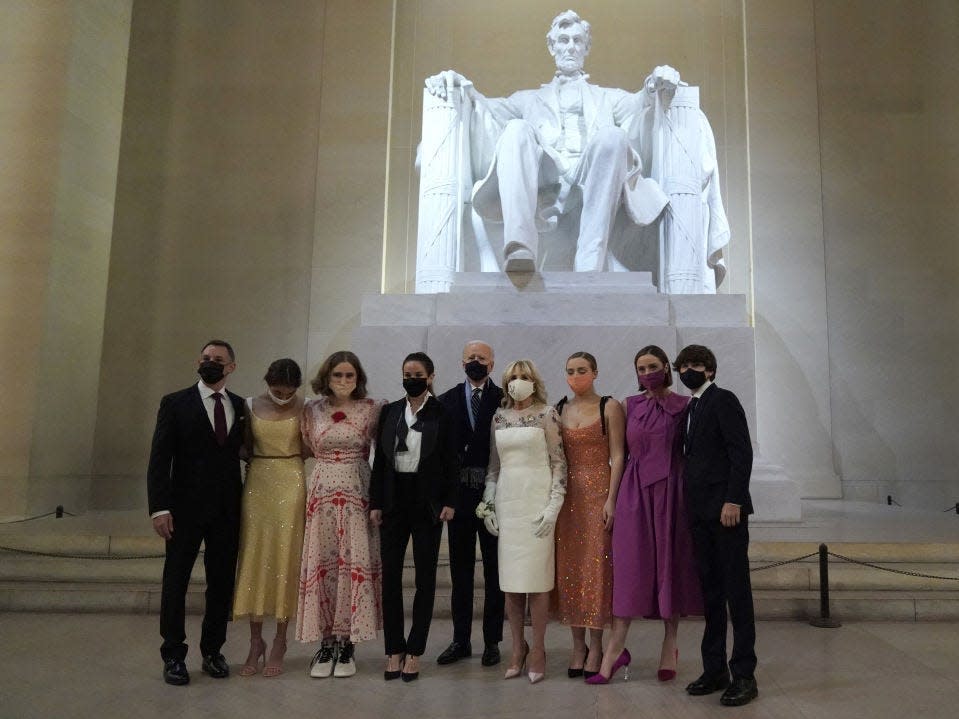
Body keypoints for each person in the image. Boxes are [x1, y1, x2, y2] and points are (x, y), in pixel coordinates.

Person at [425, 10, 680, 272]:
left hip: (591, 179)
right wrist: (460, 87)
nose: (570, 47)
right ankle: (520, 248)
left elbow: (640, 103)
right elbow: (486, 108)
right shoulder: (527, 99)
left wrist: (655, 83)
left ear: (586, 47)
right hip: (546, 179)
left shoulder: (607, 97)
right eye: (563, 40)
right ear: (552, 46)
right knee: (515, 129)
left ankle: (589, 262)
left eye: (577, 41)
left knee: (613, 136)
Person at [588, 345, 702, 685]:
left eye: (653, 366)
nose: (647, 372)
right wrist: (610, 499)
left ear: (666, 367)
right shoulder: (629, 405)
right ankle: (614, 651)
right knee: (630, 568)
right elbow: (618, 455)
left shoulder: (685, 406)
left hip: (672, 493)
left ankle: (671, 644)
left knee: (670, 567)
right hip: (634, 493)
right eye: (641, 367)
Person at [147, 339, 247, 686]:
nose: (211, 362)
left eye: (218, 359)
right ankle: (174, 654)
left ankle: (213, 650)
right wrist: (159, 508)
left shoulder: (239, 406)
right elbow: (160, 459)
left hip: (226, 512)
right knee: (176, 581)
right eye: (206, 357)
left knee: (221, 584)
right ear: (197, 362)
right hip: (183, 510)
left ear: (231, 367)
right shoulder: (175, 403)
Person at [675, 344, 757, 707]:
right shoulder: (692, 406)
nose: (688, 370)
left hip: (726, 512)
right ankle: (715, 669)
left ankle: (744, 674)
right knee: (710, 594)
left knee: (736, 594)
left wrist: (733, 499)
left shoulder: (723, 399)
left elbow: (742, 452)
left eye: (695, 365)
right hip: (700, 513)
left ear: (710, 370)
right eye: (684, 366)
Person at [370, 352, 458, 682]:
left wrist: (449, 501)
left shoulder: (443, 412)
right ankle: (393, 648)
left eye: (418, 373)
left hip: (427, 504)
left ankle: (415, 650)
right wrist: (375, 502)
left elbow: (451, 460)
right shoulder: (391, 411)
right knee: (391, 577)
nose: (412, 378)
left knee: (425, 578)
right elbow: (380, 460)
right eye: (407, 373)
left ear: (430, 376)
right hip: (394, 502)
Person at [297, 351, 385, 679]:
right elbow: (307, 446)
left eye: (350, 376)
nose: (344, 382)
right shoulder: (312, 410)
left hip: (356, 492)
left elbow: (384, 452)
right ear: (327, 378)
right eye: (338, 376)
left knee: (352, 565)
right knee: (325, 565)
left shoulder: (372, 408)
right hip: (321, 496)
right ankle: (325, 642)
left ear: (358, 378)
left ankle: (347, 643)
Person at [477, 359, 566, 684]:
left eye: (524, 376)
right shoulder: (499, 417)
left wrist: (553, 507)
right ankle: (518, 647)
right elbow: (493, 468)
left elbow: (559, 463)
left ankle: (539, 649)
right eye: (513, 377)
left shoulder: (547, 414)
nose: (518, 382)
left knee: (538, 584)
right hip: (509, 503)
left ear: (534, 380)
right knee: (512, 585)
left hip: (538, 502)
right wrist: (489, 505)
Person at [233, 358, 308, 678]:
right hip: (258, 481)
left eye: (289, 391)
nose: (283, 396)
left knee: (284, 558)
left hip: (291, 478)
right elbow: (244, 447)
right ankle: (254, 641)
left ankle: (279, 640)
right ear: (267, 382)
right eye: (277, 390)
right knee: (254, 556)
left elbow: (309, 447)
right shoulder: (249, 405)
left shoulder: (306, 407)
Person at [552, 352, 624, 679]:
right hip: (568, 497)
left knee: (596, 568)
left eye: (582, 370)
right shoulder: (558, 409)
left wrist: (612, 499)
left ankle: (597, 645)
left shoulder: (608, 406)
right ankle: (577, 644)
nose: (575, 375)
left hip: (599, 493)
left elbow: (619, 455)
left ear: (595, 372)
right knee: (569, 569)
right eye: (570, 371)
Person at [435, 341, 505, 668]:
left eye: (482, 358)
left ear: (492, 364)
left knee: (494, 571)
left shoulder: (504, 399)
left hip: (495, 495)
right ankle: (460, 639)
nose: (476, 362)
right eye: (470, 358)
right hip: (459, 498)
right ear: (462, 363)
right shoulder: (445, 400)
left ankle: (492, 641)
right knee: (460, 573)